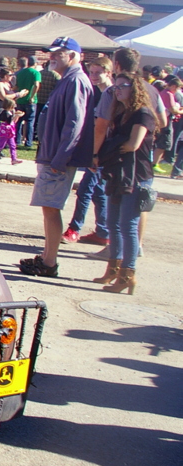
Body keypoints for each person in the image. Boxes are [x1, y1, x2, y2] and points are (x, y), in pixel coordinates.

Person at [20, 37, 93, 277]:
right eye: (51, 53)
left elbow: (75, 124)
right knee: (48, 208)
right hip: (52, 156)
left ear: (72, 56)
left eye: (58, 53)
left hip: (58, 160)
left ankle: (49, 263)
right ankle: (46, 257)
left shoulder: (76, 81)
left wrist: (60, 159)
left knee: (51, 208)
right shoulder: (67, 80)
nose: (52, 57)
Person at [89, 47, 169, 260]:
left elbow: (101, 125)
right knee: (136, 207)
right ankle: (135, 247)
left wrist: (95, 154)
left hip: (125, 161)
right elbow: (163, 121)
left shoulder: (114, 90)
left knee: (122, 213)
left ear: (116, 65)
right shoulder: (151, 90)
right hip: (144, 157)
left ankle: (120, 255)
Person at [92, 72, 156, 294]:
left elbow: (133, 144)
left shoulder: (143, 114)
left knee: (128, 225)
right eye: (115, 86)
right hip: (118, 173)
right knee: (112, 223)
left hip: (137, 177)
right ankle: (113, 268)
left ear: (135, 88)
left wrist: (108, 149)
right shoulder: (122, 113)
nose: (117, 90)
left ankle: (128, 274)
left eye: (122, 86)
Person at [62, 56, 114, 245]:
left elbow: (103, 127)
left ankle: (74, 228)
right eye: (91, 72)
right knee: (98, 191)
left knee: (85, 189)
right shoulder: (97, 92)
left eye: (98, 73)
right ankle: (103, 231)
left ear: (108, 72)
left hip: (102, 151)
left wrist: (94, 154)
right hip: (95, 148)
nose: (93, 76)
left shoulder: (110, 93)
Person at [0, 68, 27, 159]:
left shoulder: (9, 85)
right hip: (0, 109)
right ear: (5, 75)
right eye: (10, 75)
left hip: (9, 109)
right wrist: (18, 94)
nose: (11, 77)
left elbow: (11, 98)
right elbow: (4, 97)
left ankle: (0, 150)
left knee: (7, 131)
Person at [153, 76, 182, 172]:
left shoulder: (164, 92)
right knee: (164, 143)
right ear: (173, 86)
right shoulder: (168, 94)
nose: (177, 90)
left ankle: (155, 162)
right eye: (178, 88)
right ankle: (154, 164)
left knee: (163, 143)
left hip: (163, 120)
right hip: (166, 121)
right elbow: (173, 110)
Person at [14, 56, 41, 147]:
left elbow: (16, 86)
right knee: (30, 122)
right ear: (35, 63)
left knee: (18, 121)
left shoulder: (20, 73)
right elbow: (36, 85)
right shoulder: (36, 73)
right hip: (30, 101)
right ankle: (28, 142)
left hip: (20, 99)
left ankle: (17, 140)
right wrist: (32, 96)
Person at [0, 96, 23, 164]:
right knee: (1, 145)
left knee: (13, 145)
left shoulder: (10, 113)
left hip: (10, 132)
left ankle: (14, 159)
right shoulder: (5, 113)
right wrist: (16, 116)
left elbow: (13, 122)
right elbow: (9, 122)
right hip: (5, 132)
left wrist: (16, 116)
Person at [35, 63, 61, 141]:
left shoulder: (40, 73)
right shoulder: (56, 75)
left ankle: (36, 133)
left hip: (39, 98)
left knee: (37, 118)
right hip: (48, 99)